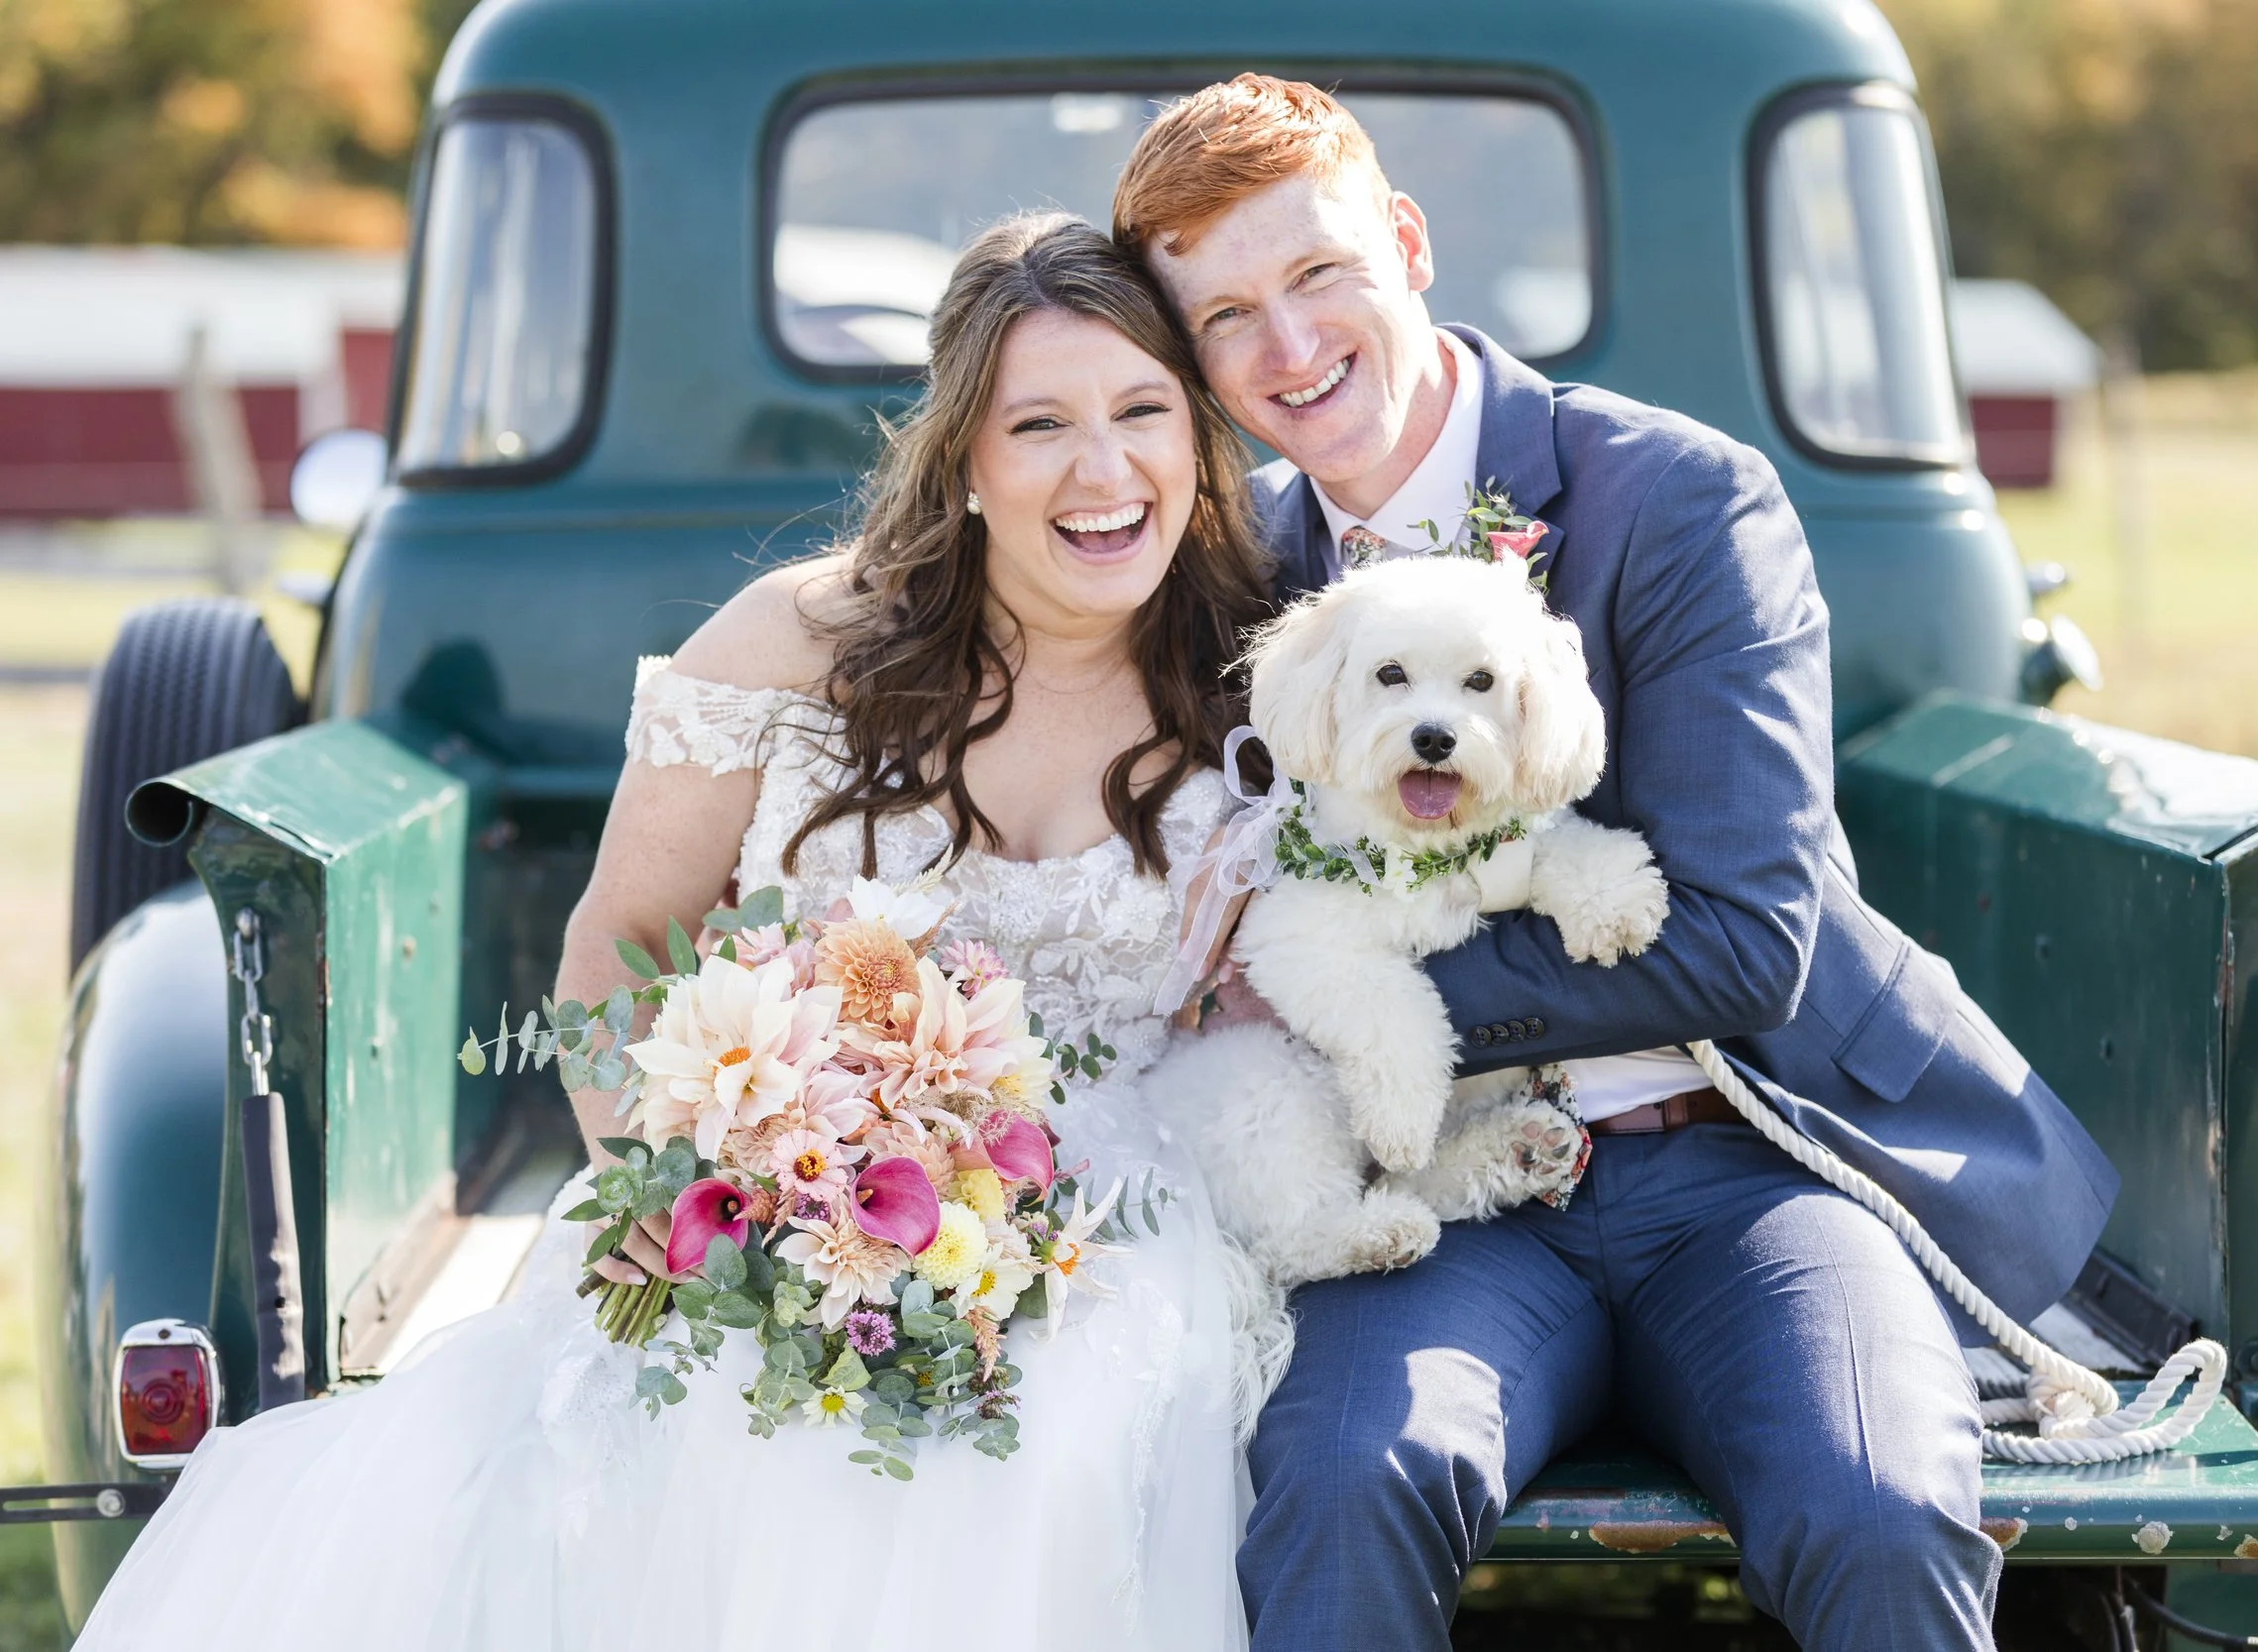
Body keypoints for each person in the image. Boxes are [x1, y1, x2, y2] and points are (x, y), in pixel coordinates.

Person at [73, 214, 1267, 1651]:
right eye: (1041, 424)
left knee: (1057, 1437)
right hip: (762, 1190)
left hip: (1112, 1225)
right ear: (964, 462)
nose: (1104, 468)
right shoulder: (792, 643)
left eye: (1144, 412)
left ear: (1198, 445)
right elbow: (625, 938)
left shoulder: (1260, 673)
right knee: (699, 1425)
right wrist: (682, 1203)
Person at [1116, 74, 2124, 1652]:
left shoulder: (1680, 499)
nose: (1292, 347)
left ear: (1406, 240)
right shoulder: (1224, 570)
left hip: (1745, 1157)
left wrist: (1336, 989)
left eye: (1318, 274)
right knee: (1336, 1478)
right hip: (1441, 1198)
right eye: (1228, 316)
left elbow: (1740, 942)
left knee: (1878, 1499)